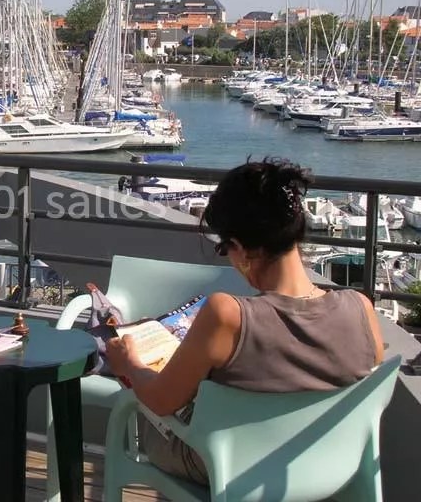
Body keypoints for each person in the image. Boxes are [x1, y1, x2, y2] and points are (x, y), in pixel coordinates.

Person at [106, 157, 384, 485]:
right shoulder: (360, 308)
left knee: (144, 418)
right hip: (328, 465)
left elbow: (159, 400)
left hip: (232, 468)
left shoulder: (228, 316)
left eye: (225, 249)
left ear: (240, 248)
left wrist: (130, 364)